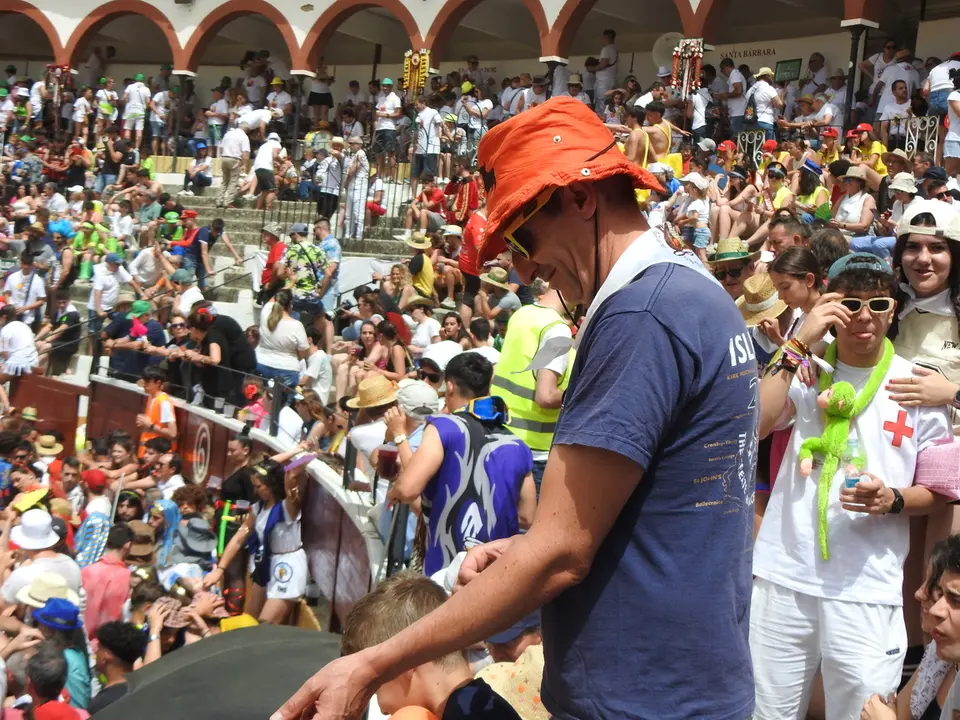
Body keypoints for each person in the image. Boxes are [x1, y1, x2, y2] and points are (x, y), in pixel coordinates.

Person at [274, 96, 755, 720]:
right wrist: (527, 554)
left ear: (582, 197)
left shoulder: (640, 313)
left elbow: (561, 551)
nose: (525, 267)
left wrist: (373, 662)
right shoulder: (693, 292)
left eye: (524, 234)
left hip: (641, 698)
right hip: (685, 684)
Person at [753, 253, 953, 719]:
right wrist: (800, 339)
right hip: (785, 577)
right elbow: (759, 423)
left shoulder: (918, 383)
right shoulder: (805, 370)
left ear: (892, 309)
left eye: (878, 304)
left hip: (866, 588)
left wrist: (892, 500)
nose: (864, 317)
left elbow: (940, 489)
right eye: (850, 305)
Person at [387, 352, 535, 575]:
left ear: (450, 387)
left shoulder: (443, 426)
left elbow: (408, 489)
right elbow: (527, 517)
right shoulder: (519, 445)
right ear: (489, 389)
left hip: (445, 574)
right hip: (497, 578)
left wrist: (398, 437)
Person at [340, 572, 522, 719]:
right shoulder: (478, 706)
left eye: (376, 688)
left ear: (402, 665)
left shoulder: (468, 712)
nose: (382, 709)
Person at [203, 456, 306, 624]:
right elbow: (239, 538)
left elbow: (291, 489)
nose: (255, 491)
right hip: (264, 564)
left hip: (286, 566)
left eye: (259, 486)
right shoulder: (258, 508)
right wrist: (220, 570)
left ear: (272, 484)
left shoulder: (288, 507)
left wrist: (292, 477)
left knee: (265, 624)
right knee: (249, 622)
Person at [491, 289, 572, 494]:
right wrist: (585, 394)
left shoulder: (522, 314)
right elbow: (545, 396)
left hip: (500, 434)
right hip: (535, 453)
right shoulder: (557, 330)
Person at [80, 523, 132, 640]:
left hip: (80, 639)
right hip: (107, 644)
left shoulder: (85, 571)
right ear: (128, 545)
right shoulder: (128, 578)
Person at [89, 621, 146, 713]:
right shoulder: (146, 691)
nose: (95, 652)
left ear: (105, 656)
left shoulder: (100, 705)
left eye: (99, 648)